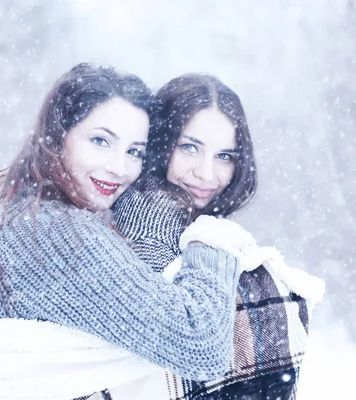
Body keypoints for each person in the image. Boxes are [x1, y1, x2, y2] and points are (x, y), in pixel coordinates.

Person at [0, 63, 256, 400]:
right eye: (100, 141)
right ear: (59, 135)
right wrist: (213, 239)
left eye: (133, 151)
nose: (119, 168)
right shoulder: (53, 230)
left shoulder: (37, 210)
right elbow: (200, 345)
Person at [112, 74, 324, 400]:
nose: (207, 174)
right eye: (189, 148)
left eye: (224, 156)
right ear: (158, 143)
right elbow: (190, 344)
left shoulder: (185, 219)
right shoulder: (148, 222)